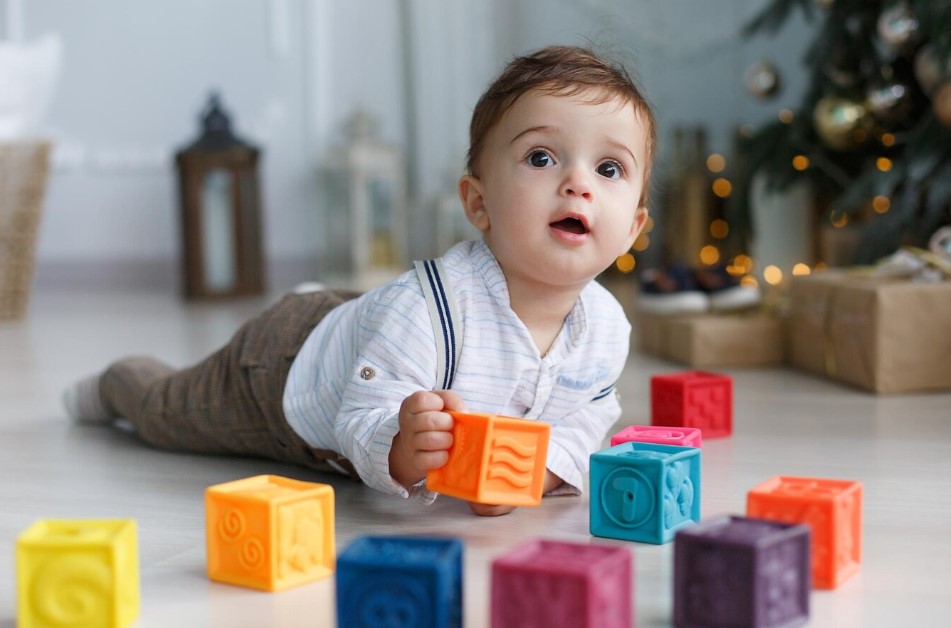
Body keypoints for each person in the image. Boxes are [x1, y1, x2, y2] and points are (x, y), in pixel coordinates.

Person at [63, 44, 656, 517]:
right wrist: (401, 448)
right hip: (284, 371)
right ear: (478, 203)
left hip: (370, 330)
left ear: (632, 227)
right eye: (541, 158)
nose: (578, 183)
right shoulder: (433, 310)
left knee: (381, 331)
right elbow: (360, 415)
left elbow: (584, 419)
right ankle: (118, 384)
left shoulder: (604, 329)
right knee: (171, 414)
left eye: (609, 168)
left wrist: (536, 473)